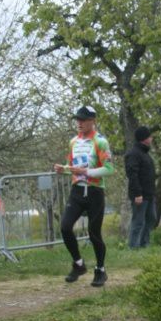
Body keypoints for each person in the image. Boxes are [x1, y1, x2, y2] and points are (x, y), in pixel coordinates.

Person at [53, 105, 114, 287]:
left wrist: (87, 172)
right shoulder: (73, 142)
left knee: (94, 234)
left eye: (83, 120)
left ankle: (100, 270)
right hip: (77, 191)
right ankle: (78, 264)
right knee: (65, 227)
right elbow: (72, 167)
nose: (79, 123)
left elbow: (110, 169)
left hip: (95, 192)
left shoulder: (100, 142)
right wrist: (62, 170)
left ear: (92, 121)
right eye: (77, 119)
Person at [125, 125, 157, 248]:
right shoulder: (133, 154)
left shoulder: (145, 154)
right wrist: (137, 194)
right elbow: (132, 175)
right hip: (140, 195)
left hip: (149, 194)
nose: (151, 138)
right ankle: (133, 246)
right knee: (138, 221)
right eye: (149, 136)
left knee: (151, 219)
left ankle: (144, 244)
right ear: (144, 138)